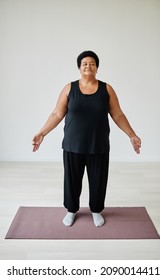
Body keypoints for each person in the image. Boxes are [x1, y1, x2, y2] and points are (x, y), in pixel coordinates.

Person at [32, 50, 141, 227]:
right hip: (73, 145)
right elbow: (57, 113)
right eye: (84, 63)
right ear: (79, 68)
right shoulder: (69, 88)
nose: (88, 66)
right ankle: (71, 210)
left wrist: (132, 134)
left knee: (98, 179)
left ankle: (96, 210)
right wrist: (41, 132)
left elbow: (118, 114)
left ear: (97, 67)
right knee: (72, 180)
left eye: (92, 63)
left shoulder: (107, 89)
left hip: (98, 144)